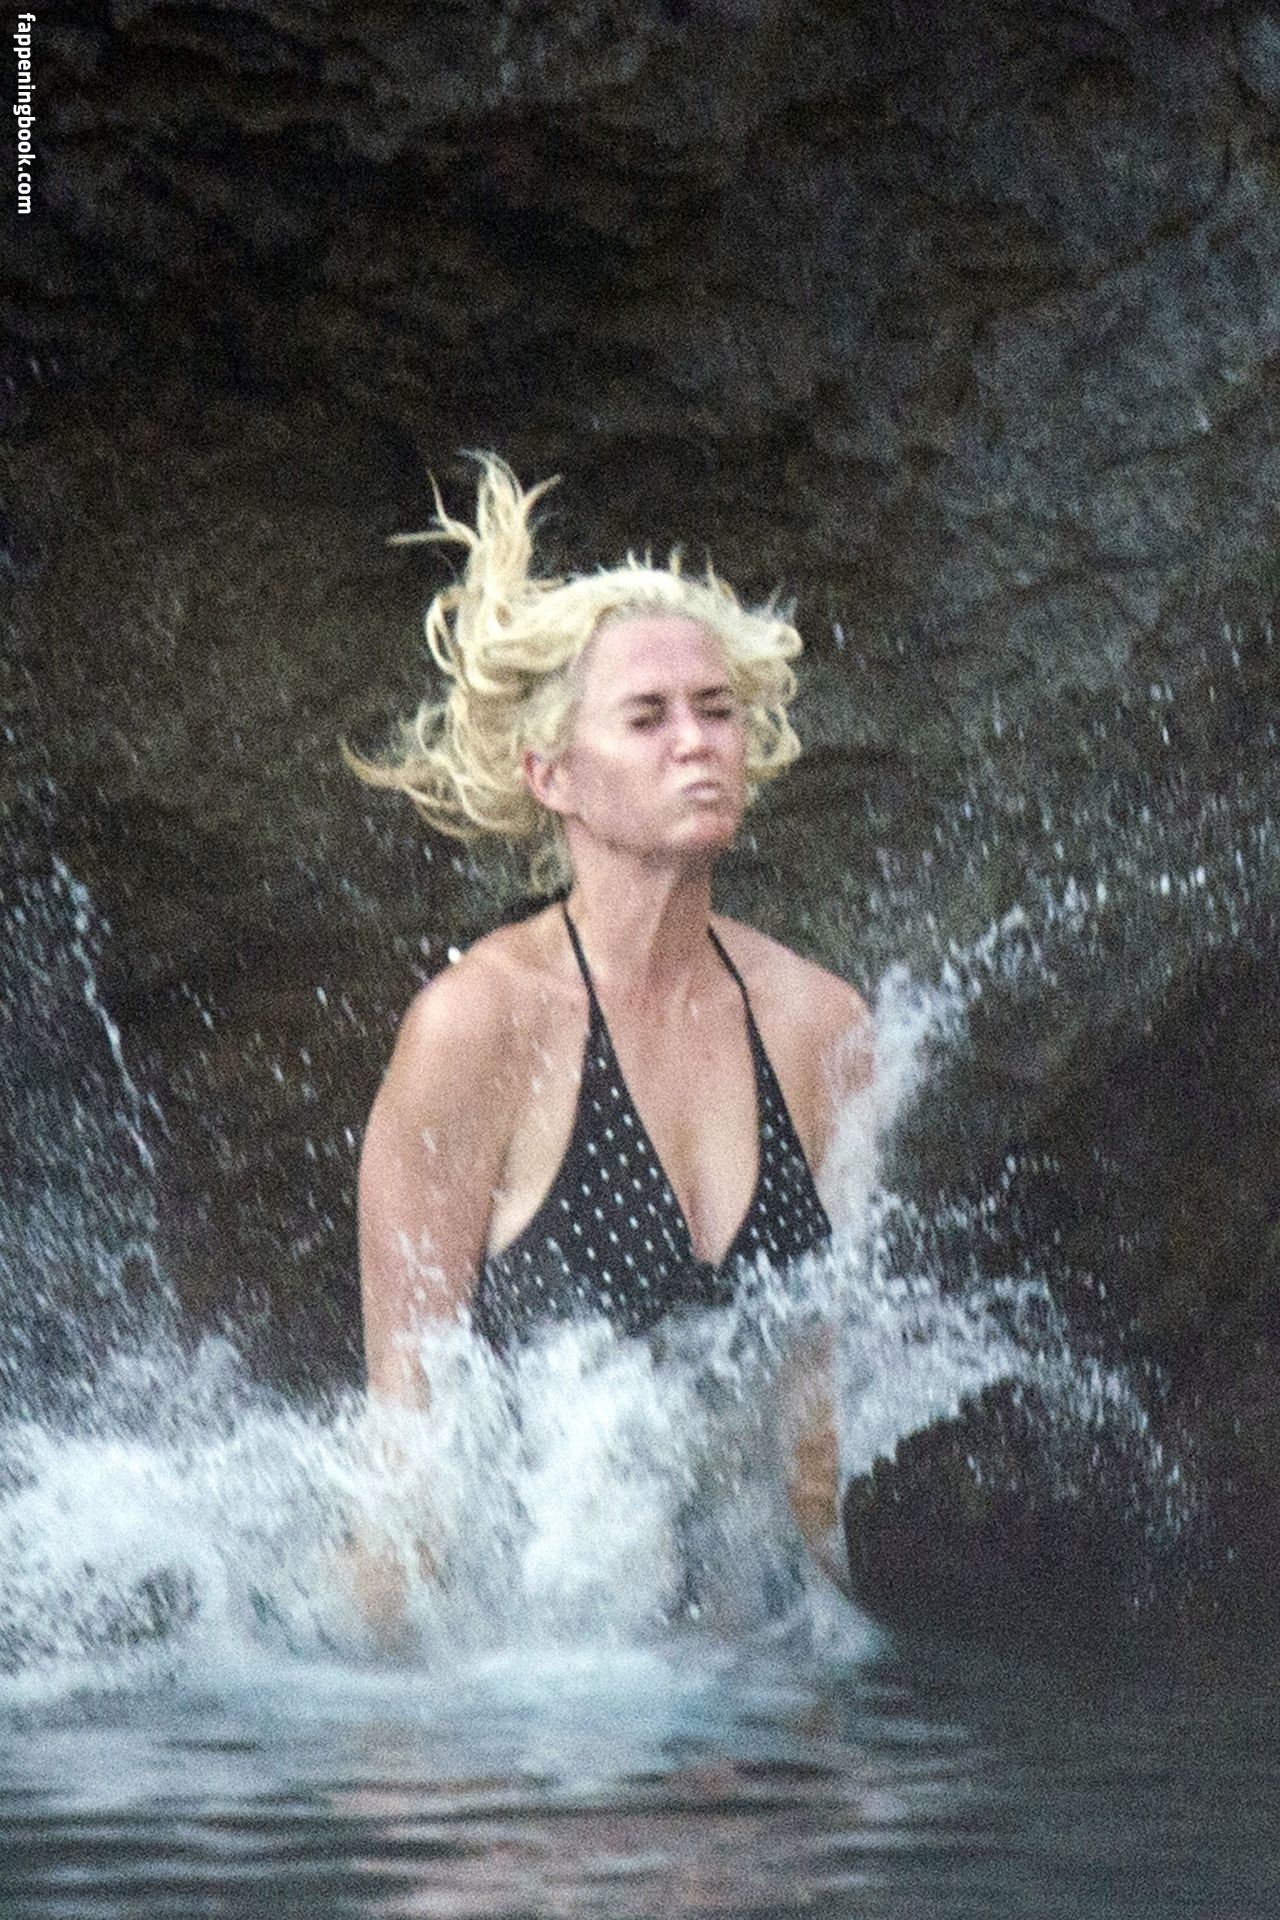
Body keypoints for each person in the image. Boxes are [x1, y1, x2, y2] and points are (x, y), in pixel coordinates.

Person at [348, 455, 872, 1591]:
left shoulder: (818, 1024)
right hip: (531, 1653)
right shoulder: (480, 1027)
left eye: (717, 711)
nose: (697, 740)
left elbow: (811, 1461)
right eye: (647, 718)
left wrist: (835, 1688)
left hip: (744, 1660)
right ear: (553, 776)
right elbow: (409, 1467)